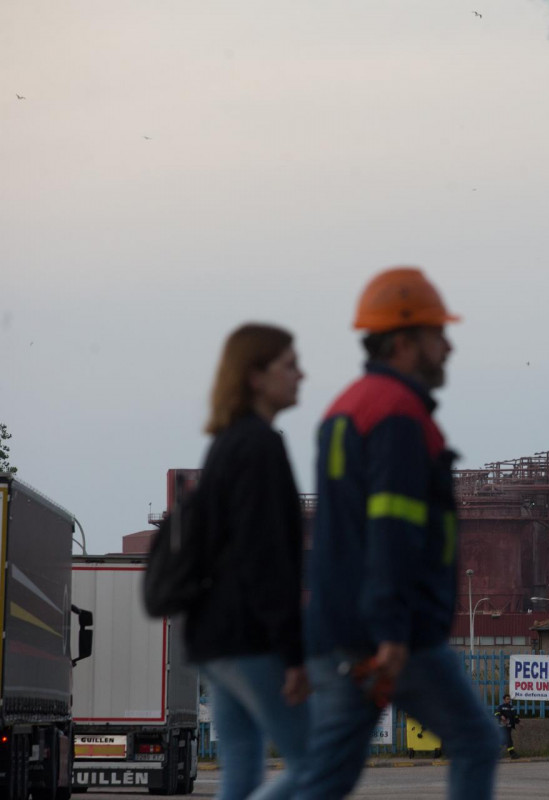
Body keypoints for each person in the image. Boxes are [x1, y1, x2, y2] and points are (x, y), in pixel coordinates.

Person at [299, 267, 500, 800]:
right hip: (392, 636)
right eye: (439, 335)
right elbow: (391, 530)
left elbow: (341, 534)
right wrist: (391, 632)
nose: (448, 349)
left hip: (337, 626)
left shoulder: (342, 409)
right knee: (477, 740)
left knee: (325, 779)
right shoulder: (399, 416)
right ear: (405, 340)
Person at [184, 323, 309, 800]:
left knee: (241, 770)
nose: (301, 375)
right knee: (318, 763)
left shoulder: (225, 444)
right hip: (250, 639)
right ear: (256, 376)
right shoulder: (260, 445)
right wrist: (292, 655)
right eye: (290, 365)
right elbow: (267, 562)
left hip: (212, 639)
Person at [494, 694, 520, 758]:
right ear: (504, 700)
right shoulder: (501, 707)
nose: (509, 700)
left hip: (509, 726)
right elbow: (496, 714)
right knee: (509, 739)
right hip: (502, 726)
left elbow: (515, 716)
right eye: (507, 699)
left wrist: (518, 722)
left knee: (503, 741)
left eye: (509, 699)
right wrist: (501, 716)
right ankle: (512, 754)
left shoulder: (512, 708)